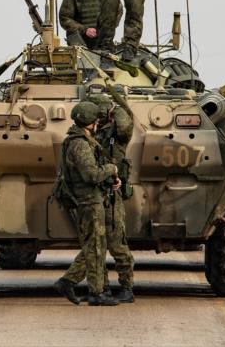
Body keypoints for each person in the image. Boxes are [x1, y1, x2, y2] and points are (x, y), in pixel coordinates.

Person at [59, 94, 136, 303]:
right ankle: (100, 288)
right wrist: (110, 173)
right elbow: (92, 171)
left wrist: (115, 107)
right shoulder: (85, 139)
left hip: (111, 195)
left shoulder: (116, 132)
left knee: (116, 242)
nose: (98, 119)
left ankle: (126, 285)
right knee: (96, 244)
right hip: (96, 194)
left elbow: (126, 126)